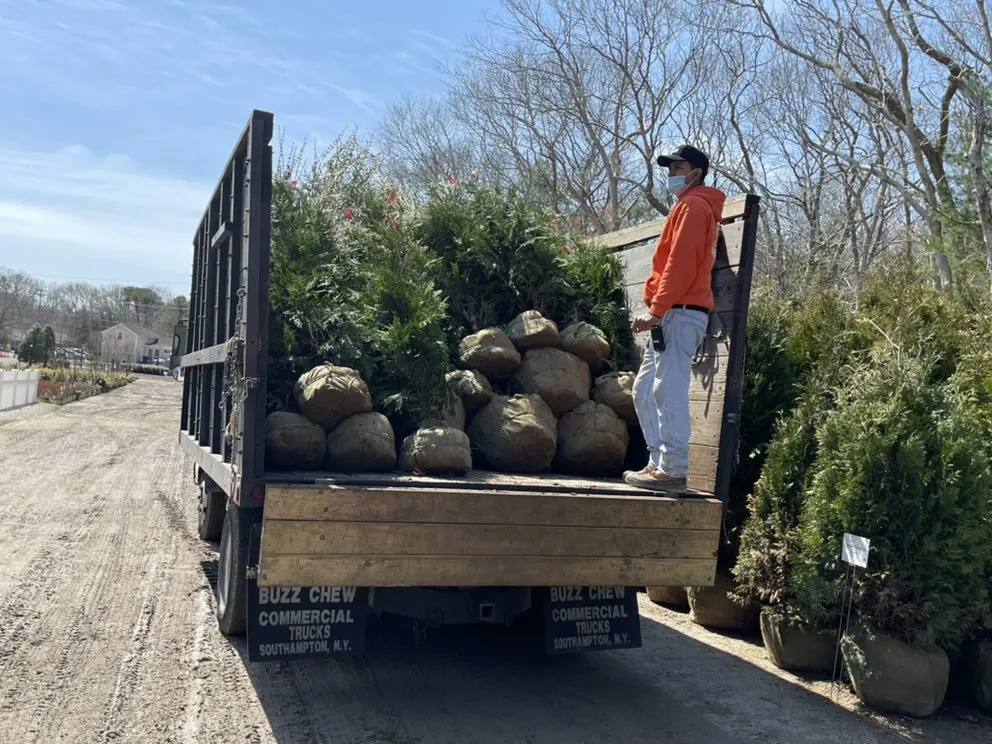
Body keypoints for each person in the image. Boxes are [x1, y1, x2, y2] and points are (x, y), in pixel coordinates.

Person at [624, 145, 726, 493]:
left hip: (679, 315)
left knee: (668, 391)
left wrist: (656, 310)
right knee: (645, 391)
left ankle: (673, 467)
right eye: (669, 168)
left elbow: (680, 264)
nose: (671, 174)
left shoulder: (694, 207)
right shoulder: (688, 207)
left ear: (696, 172)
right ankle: (658, 463)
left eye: (677, 167)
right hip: (673, 314)